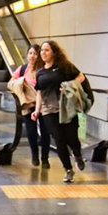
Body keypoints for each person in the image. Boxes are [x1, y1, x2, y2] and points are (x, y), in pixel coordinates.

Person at [32, 40, 87, 183]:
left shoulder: (64, 67)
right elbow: (39, 93)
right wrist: (37, 110)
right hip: (48, 111)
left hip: (66, 109)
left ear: (54, 52)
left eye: (47, 50)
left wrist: (69, 86)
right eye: (42, 51)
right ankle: (68, 170)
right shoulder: (40, 73)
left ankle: (77, 154)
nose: (43, 53)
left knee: (72, 138)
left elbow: (81, 77)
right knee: (59, 140)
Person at [8, 45, 43, 166]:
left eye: (35, 53)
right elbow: (11, 82)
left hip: (42, 103)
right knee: (31, 130)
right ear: (27, 55)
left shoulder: (42, 69)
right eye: (30, 53)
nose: (32, 56)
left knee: (45, 130)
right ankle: (35, 154)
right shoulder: (22, 69)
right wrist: (20, 82)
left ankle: (45, 157)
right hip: (27, 104)